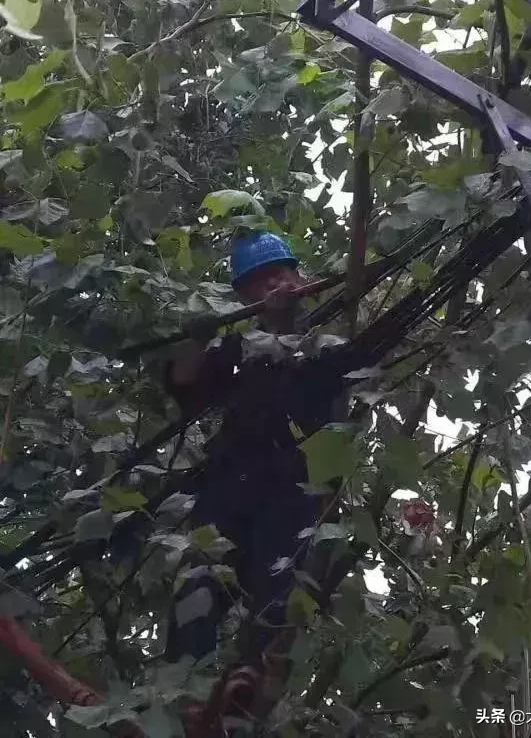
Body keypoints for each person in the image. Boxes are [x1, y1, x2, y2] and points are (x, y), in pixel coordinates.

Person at [162, 232, 343, 721]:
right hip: (228, 482)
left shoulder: (327, 345)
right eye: (262, 279)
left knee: (278, 589)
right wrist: (196, 337)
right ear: (244, 298)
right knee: (196, 582)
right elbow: (184, 382)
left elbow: (344, 395)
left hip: (293, 487)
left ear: (301, 278)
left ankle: (248, 687)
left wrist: (289, 327)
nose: (278, 282)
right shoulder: (236, 349)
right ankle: (185, 692)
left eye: (284, 272)